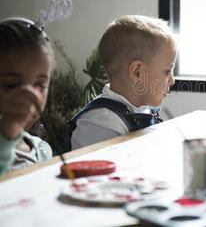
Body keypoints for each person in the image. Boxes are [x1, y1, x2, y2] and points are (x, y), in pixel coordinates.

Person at [69, 15, 177, 150]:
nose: (172, 80)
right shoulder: (101, 124)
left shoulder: (144, 110)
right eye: (167, 71)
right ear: (137, 72)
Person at [0, 17, 53, 175]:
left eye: (40, 85)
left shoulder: (41, 150)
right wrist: (9, 129)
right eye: (12, 85)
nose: (30, 95)